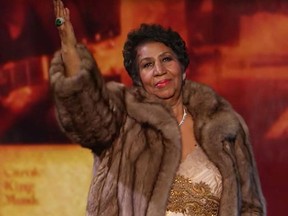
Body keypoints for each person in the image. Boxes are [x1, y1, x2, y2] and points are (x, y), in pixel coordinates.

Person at [49, 0, 266, 215]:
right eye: (147, 65)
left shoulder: (224, 127)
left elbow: (250, 206)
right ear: (138, 79)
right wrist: (69, 49)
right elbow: (88, 119)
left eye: (166, 59)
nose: (159, 70)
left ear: (183, 69)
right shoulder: (123, 123)